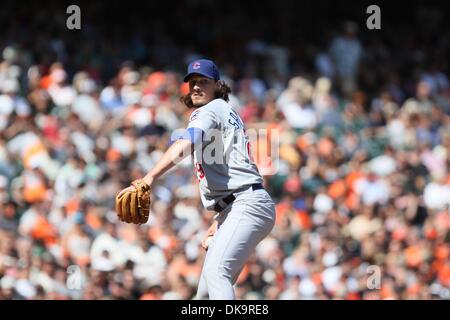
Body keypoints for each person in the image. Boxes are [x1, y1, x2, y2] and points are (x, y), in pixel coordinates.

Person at [117, 59, 276, 300]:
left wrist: (149, 177)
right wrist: (220, 220)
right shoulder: (225, 112)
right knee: (203, 296)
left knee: (216, 272)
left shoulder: (210, 109)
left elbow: (187, 143)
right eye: (192, 82)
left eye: (203, 82)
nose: (197, 87)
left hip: (246, 203)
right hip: (240, 205)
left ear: (218, 85)